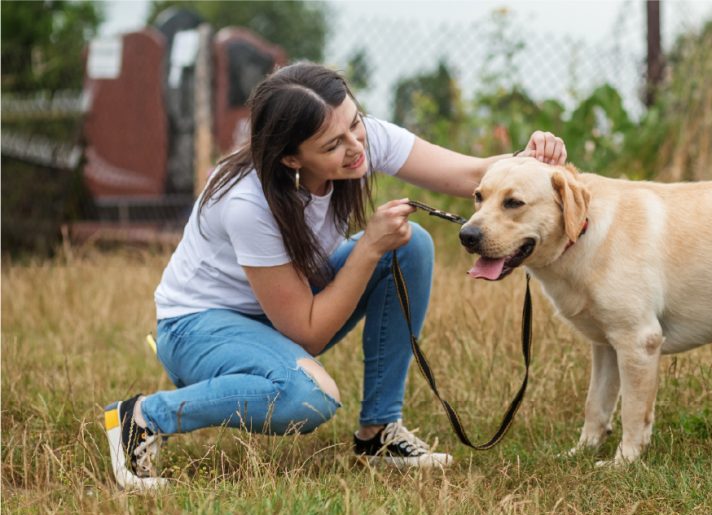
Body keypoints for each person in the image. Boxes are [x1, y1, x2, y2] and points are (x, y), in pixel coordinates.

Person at [102, 62, 567, 489]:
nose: (356, 147)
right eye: (333, 145)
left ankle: (379, 434)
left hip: (279, 309)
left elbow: (469, 174)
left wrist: (526, 160)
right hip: (198, 329)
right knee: (307, 398)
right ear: (290, 158)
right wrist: (367, 247)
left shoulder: (356, 139)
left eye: (356, 124)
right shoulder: (247, 203)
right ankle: (143, 417)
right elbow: (307, 330)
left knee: (412, 246)